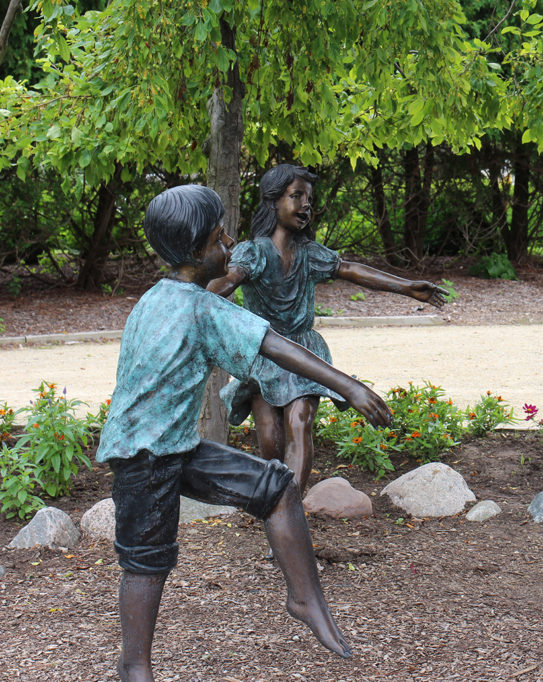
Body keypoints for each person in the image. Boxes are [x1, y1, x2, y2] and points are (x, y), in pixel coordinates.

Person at [97, 185, 393, 681]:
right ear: (196, 252)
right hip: (143, 456)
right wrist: (351, 386)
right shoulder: (199, 306)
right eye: (220, 237)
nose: (230, 243)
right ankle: (135, 668)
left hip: (176, 448)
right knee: (147, 563)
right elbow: (275, 346)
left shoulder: (159, 297)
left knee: (276, 487)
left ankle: (305, 598)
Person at [208, 164, 447, 494]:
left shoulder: (309, 254)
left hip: (305, 353)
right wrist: (196, 298)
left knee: (299, 421)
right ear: (273, 201)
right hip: (265, 354)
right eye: (296, 196)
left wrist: (406, 287)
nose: (306, 204)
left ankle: (289, 508)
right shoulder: (254, 252)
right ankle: (275, 507)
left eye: (309, 198)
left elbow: (349, 269)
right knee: (269, 434)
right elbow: (230, 277)